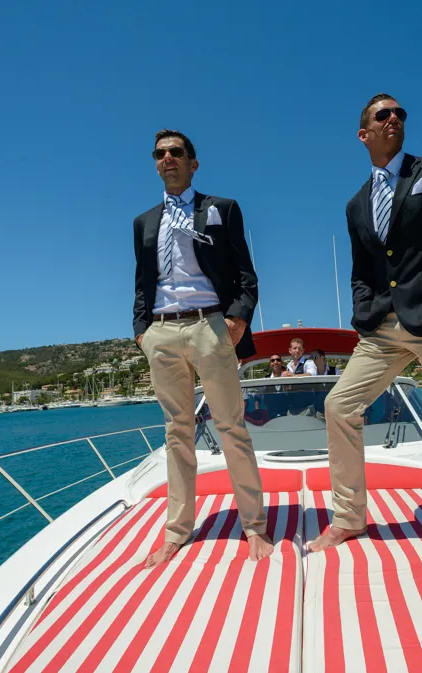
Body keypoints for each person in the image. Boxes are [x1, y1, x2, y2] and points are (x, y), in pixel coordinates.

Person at [308, 94, 422, 578]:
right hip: (382, 328)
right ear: (364, 134)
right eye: (382, 114)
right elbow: (362, 270)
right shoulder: (356, 204)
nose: (395, 118)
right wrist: (365, 316)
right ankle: (348, 519)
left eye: (400, 113)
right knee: (339, 405)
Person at [133, 129, 272, 567]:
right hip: (161, 331)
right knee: (177, 433)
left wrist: (237, 318)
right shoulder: (143, 222)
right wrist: (141, 329)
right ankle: (177, 530)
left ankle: (254, 527)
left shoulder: (220, 209)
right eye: (160, 154)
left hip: (210, 325)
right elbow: (142, 281)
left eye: (176, 152)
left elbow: (246, 274)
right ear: (155, 163)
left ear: (193, 163)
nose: (167, 158)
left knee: (231, 426)